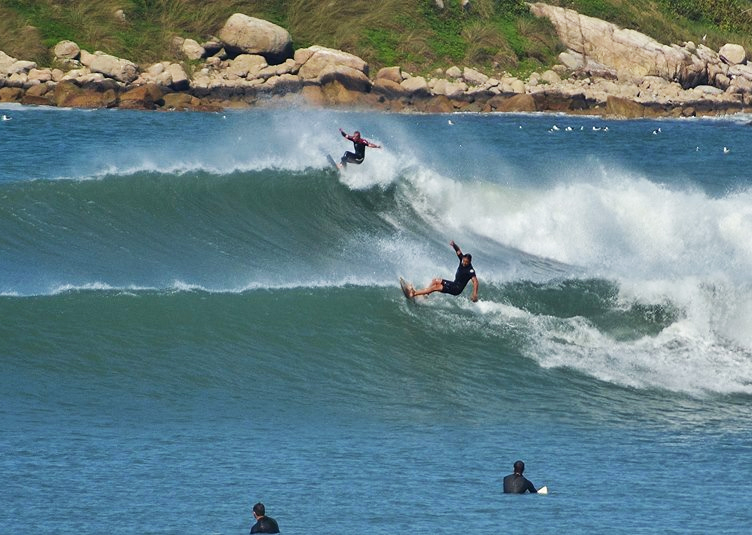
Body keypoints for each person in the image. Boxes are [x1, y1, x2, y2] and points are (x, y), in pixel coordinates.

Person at [410, 240, 479, 302]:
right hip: (454, 284)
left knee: (436, 287)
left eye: (466, 262)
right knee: (435, 280)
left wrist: (474, 293)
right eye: (464, 261)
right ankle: (425, 294)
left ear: (470, 262)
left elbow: (475, 282)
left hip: (456, 289)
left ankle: (414, 293)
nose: (464, 263)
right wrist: (454, 244)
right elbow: (458, 251)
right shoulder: (462, 259)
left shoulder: (470, 270)